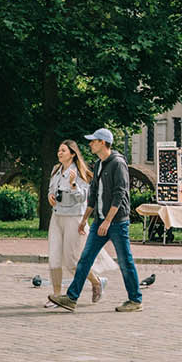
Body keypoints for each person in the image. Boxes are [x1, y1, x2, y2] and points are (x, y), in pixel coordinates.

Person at [48, 128, 143, 312]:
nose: (90, 144)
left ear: (102, 143)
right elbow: (92, 195)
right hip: (100, 220)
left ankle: (135, 300)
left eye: (93, 141)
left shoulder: (118, 163)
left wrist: (108, 221)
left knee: (125, 261)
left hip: (117, 222)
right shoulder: (99, 164)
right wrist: (85, 219)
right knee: (84, 260)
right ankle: (71, 298)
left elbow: (119, 194)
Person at [45, 139, 118, 305]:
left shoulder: (80, 172)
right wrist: (50, 196)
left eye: (63, 150)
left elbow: (83, 198)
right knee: (54, 256)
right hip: (56, 216)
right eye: (59, 150)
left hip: (73, 217)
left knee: (71, 261)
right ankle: (56, 295)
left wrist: (72, 185)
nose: (59, 153)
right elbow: (51, 189)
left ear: (72, 154)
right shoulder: (55, 170)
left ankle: (97, 281)